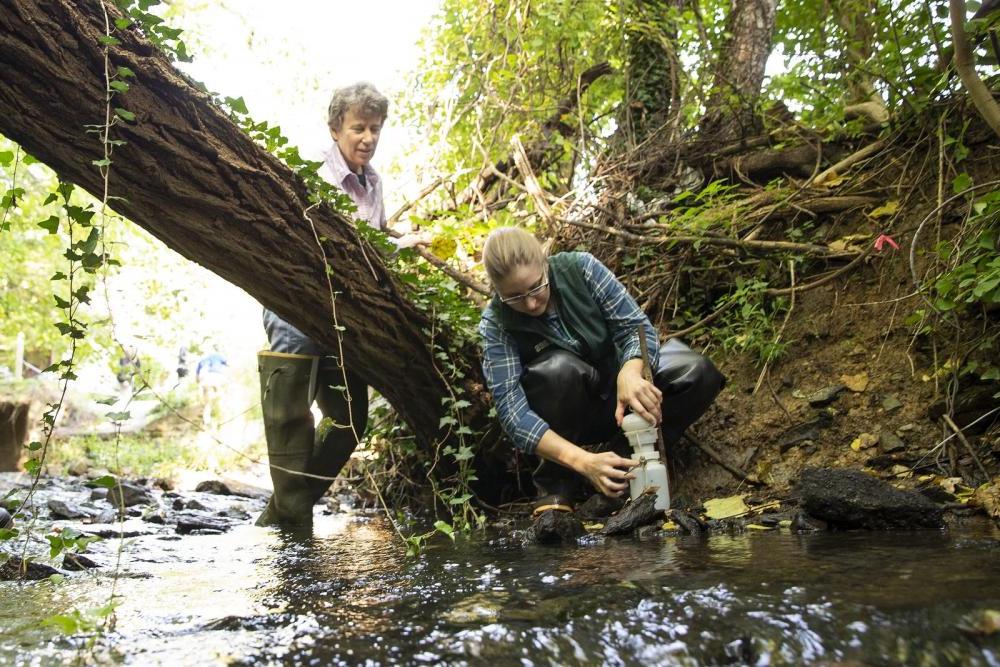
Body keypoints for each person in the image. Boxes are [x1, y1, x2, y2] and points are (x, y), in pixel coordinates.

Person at [257, 82, 424, 527]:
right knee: (289, 416)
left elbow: (369, 248)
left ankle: (282, 513)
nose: (367, 137)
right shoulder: (315, 174)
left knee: (350, 418)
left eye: (374, 129)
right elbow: (327, 245)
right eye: (358, 128)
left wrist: (398, 246)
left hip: (344, 316)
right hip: (294, 303)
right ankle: (292, 528)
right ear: (335, 129)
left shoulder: (374, 183)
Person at [478, 226, 725, 514]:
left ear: (545, 263)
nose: (531, 303)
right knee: (557, 371)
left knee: (697, 371)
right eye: (515, 297)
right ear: (497, 291)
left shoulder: (581, 268)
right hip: (573, 418)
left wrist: (631, 371)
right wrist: (583, 461)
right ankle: (558, 484)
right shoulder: (495, 324)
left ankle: (623, 467)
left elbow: (636, 328)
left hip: (627, 397)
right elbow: (514, 414)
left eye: (536, 287)